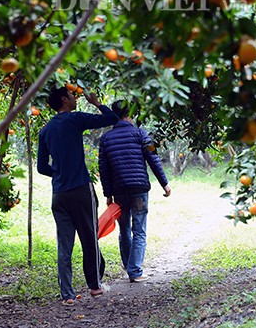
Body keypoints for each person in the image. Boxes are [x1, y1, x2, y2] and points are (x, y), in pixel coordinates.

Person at [37, 86, 118, 306]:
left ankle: (68, 295)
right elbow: (111, 118)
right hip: (81, 189)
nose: (75, 98)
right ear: (65, 99)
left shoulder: (44, 130)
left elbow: (41, 167)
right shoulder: (75, 120)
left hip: (59, 194)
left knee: (65, 246)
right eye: (72, 95)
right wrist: (96, 103)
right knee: (89, 238)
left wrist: (60, 172)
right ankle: (94, 286)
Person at [98, 100, 171, 283]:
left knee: (125, 229)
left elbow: (104, 170)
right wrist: (165, 184)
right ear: (129, 113)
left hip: (119, 190)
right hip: (139, 189)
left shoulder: (105, 139)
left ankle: (129, 265)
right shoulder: (141, 133)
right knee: (139, 230)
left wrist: (108, 195)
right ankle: (135, 270)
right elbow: (153, 159)